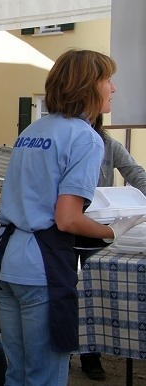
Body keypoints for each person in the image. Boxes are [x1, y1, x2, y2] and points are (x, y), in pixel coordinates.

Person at [0, 49, 144, 386]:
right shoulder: (86, 137)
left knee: (19, 372)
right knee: (45, 377)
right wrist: (112, 230)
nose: (113, 88)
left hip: (2, 261)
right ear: (87, 88)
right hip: (40, 265)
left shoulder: (33, 129)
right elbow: (68, 219)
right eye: (106, 80)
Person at [74, 113, 146, 380]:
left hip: (98, 231)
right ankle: (67, 347)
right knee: (65, 292)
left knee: (93, 292)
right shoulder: (66, 143)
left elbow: (137, 174)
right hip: (63, 229)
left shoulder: (109, 145)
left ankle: (90, 355)